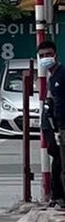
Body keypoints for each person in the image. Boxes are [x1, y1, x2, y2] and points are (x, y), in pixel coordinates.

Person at [44, 40, 65, 206]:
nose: (46, 58)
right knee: (58, 159)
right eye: (42, 56)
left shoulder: (62, 73)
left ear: (55, 55)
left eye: (48, 55)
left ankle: (58, 195)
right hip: (56, 126)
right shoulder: (52, 77)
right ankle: (57, 195)